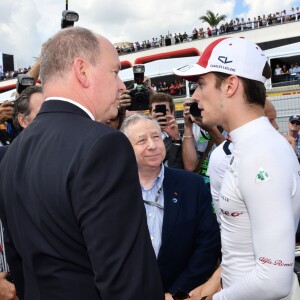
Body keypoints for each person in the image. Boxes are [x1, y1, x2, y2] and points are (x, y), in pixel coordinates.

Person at [0, 27, 164, 300]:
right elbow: (127, 280)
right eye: (115, 72)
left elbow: (20, 264)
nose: (122, 85)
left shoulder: (11, 155)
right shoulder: (104, 145)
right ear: (82, 71)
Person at [174, 36, 300, 299]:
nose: (195, 96)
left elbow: (274, 280)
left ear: (230, 85)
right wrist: (212, 285)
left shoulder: (261, 155)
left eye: (201, 84)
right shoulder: (248, 148)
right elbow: (243, 246)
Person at [120, 114, 220, 300]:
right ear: (126, 148)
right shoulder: (113, 191)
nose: (152, 145)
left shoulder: (192, 186)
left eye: (156, 136)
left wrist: (176, 293)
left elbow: (208, 244)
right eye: (142, 140)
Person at [149, 93, 184, 169]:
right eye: (156, 111)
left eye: (165, 110)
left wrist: (176, 139)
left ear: (172, 113)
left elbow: (176, 167)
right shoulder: (142, 136)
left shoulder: (182, 138)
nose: (160, 114)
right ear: (150, 114)